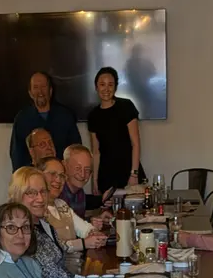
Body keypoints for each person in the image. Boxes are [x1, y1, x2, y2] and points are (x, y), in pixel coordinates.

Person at [9, 166, 99, 278]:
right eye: (31, 193)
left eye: (43, 192)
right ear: (17, 195)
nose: (40, 199)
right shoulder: (20, 233)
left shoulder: (43, 223)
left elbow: (61, 248)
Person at [88, 67, 144, 197]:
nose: (106, 89)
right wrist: (94, 180)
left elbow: (135, 143)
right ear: (96, 87)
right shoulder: (93, 115)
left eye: (110, 85)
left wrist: (134, 174)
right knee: (108, 213)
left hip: (128, 170)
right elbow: (96, 151)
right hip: (106, 173)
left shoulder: (126, 106)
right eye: (102, 85)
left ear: (115, 87)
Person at [9, 71, 81, 171]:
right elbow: (17, 156)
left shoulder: (65, 116)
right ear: (30, 93)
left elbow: (75, 150)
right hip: (34, 179)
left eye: (43, 86)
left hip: (61, 177)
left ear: (50, 91)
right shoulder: (21, 119)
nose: (40, 92)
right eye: (36, 87)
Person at [39, 156, 107, 247]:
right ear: (39, 176)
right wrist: (83, 243)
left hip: (77, 260)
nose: (58, 180)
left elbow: (84, 228)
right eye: (52, 174)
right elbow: (51, 247)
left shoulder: (61, 204)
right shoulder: (38, 210)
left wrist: (94, 233)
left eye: (62, 176)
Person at [60, 144, 110, 218]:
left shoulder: (80, 193)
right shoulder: (58, 193)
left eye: (87, 170)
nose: (83, 175)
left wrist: (97, 219)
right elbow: (66, 226)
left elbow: (78, 224)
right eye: (78, 168)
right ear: (64, 166)